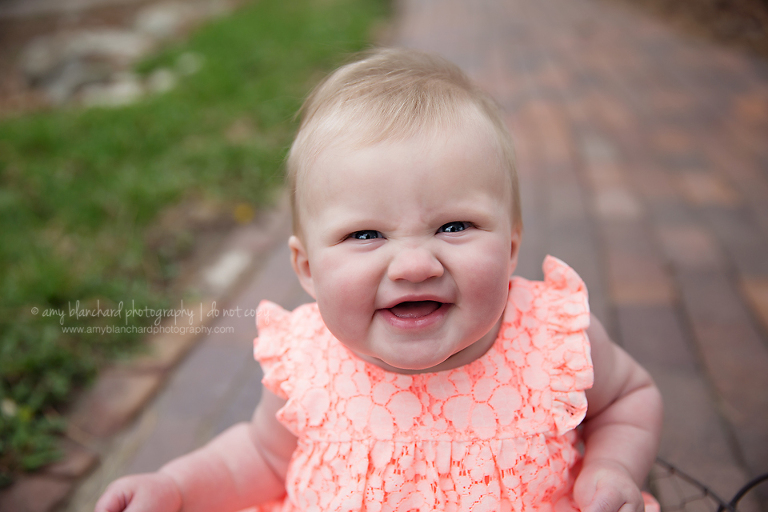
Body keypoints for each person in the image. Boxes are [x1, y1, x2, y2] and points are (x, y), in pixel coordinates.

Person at [95, 48, 663, 512]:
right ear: (308, 271)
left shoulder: (553, 341)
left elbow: (629, 400)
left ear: (511, 247)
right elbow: (259, 458)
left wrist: (612, 466)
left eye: (454, 225)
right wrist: (174, 488)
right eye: (366, 235)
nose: (415, 265)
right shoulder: (310, 365)